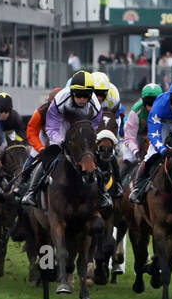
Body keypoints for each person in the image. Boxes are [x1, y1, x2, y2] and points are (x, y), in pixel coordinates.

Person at [20, 71, 104, 207]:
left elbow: (93, 127)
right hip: (62, 125)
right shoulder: (60, 100)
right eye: (79, 95)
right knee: (51, 156)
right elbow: (51, 127)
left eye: (86, 95)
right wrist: (60, 141)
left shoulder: (95, 106)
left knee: (94, 157)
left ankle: (104, 193)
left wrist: (87, 142)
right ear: (71, 92)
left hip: (83, 126)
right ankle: (32, 191)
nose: (83, 99)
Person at [123, 82, 162, 163]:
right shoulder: (136, 111)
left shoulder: (165, 110)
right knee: (129, 159)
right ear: (144, 103)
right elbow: (130, 138)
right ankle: (120, 175)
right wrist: (136, 152)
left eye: (154, 104)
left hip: (158, 137)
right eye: (149, 104)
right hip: (137, 136)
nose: (151, 108)